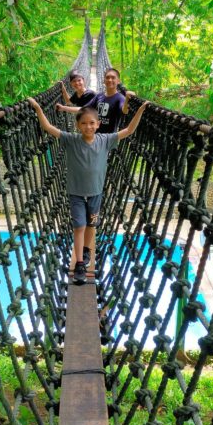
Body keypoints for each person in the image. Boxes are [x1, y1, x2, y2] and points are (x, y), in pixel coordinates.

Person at [28, 97, 149, 284]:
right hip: (75, 192)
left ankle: (86, 250)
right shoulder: (71, 140)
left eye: (92, 123)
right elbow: (49, 128)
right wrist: (37, 108)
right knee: (79, 227)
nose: (88, 127)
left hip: (96, 193)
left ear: (98, 124)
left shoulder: (105, 140)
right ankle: (79, 264)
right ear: (77, 125)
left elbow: (129, 130)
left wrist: (140, 110)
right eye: (83, 123)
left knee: (91, 226)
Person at [57, 67, 135, 134]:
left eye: (113, 77)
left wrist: (127, 99)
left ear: (118, 81)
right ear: (104, 81)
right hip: (94, 135)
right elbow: (83, 109)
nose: (110, 80)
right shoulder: (99, 96)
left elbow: (125, 111)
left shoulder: (120, 98)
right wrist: (63, 108)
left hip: (107, 138)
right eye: (107, 77)